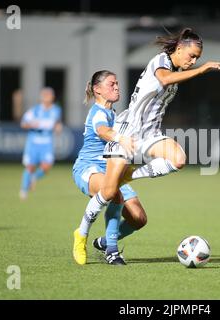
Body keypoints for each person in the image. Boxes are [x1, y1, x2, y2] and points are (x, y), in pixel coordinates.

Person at [81, 28, 220, 244]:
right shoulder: (160, 61)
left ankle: (128, 178)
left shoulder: (174, 72)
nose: (193, 61)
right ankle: (82, 233)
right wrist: (202, 70)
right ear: (179, 48)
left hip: (150, 134)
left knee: (179, 160)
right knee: (110, 193)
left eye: (197, 58)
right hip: (129, 131)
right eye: (191, 55)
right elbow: (164, 79)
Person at [72, 70, 147, 266]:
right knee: (113, 193)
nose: (117, 87)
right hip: (88, 168)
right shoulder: (98, 112)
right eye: (111, 84)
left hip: (111, 170)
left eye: (117, 83)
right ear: (97, 90)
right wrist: (120, 137)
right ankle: (92, 240)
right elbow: (102, 131)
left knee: (139, 219)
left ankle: (104, 241)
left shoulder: (115, 115)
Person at [19, 87, 62, 200]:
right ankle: (24, 190)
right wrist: (32, 124)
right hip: (33, 143)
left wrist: (58, 128)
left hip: (47, 143)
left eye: (50, 95)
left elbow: (57, 123)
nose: (48, 97)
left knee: (46, 166)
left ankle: (34, 177)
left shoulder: (56, 110)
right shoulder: (35, 110)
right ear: (42, 97)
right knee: (30, 166)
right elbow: (23, 124)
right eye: (46, 95)